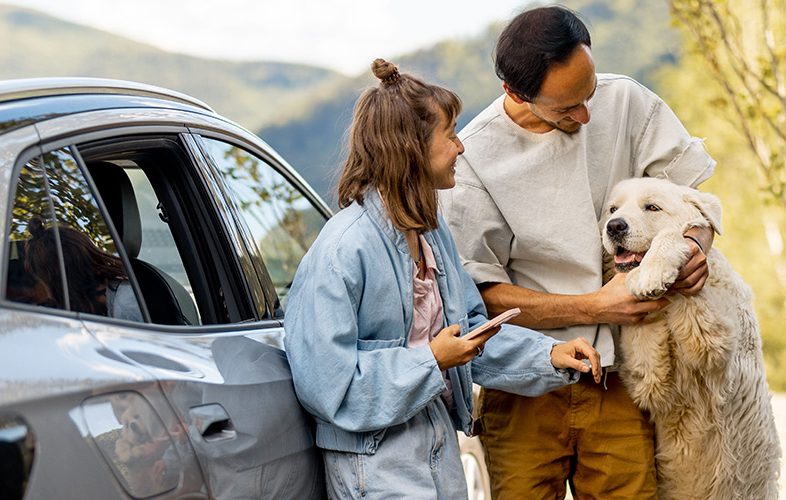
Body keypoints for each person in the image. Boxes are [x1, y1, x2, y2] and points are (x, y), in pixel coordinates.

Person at [284, 59, 603, 500]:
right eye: (450, 135)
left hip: (439, 460)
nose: (461, 147)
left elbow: (469, 337)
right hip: (376, 473)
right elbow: (327, 388)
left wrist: (548, 355)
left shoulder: (432, 235)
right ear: (411, 148)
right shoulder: (343, 251)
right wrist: (431, 360)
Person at [437, 6, 719, 499]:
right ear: (515, 94)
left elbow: (695, 200)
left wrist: (694, 246)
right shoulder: (473, 159)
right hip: (523, 385)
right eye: (568, 108)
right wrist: (594, 307)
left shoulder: (627, 100)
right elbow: (480, 297)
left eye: (588, 94)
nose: (586, 115)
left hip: (622, 376)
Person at [15, 223, 143, 322]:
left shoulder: (127, 309)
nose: (48, 295)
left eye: (42, 282)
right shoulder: (89, 306)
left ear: (59, 282)